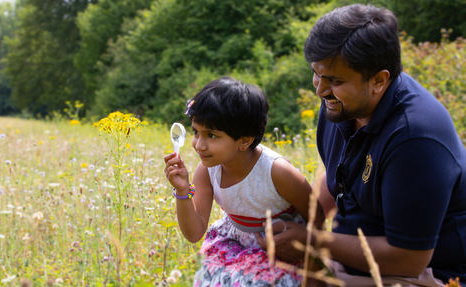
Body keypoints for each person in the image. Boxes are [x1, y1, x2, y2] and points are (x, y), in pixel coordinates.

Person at [255, 4, 466, 286]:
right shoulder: (342, 104)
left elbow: (409, 258)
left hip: (427, 275)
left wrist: (311, 241)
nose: (319, 89)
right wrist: (301, 219)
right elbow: (341, 173)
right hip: (353, 260)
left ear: (379, 80)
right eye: (317, 73)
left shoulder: (415, 139)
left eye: (335, 80)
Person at [163, 76, 325, 286]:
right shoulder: (207, 171)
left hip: (281, 247)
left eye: (211, 135)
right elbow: (194, 233)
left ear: (245, 140)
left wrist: (315, 269)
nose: (199, 145)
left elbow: (317, 217)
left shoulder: (277, 171)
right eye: (196, 132)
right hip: (234, 244)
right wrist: (183, 191)